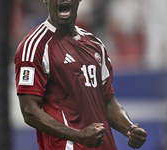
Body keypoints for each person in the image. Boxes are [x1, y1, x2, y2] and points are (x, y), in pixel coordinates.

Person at [14, 0, 147, 149]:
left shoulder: (96, 45)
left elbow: (108, 101)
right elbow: (29, 111)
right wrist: (78, 136)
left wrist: (130, 129)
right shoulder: (33, 46)